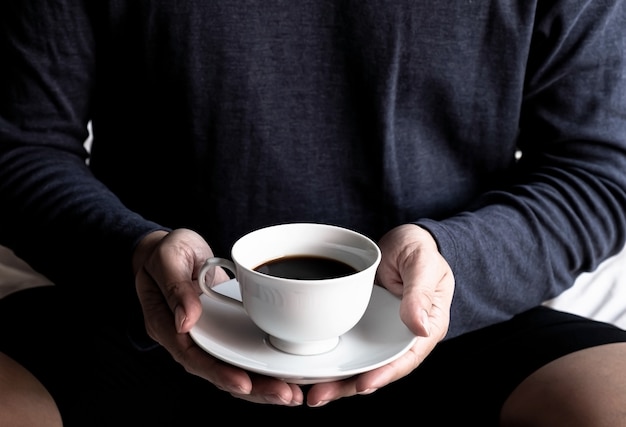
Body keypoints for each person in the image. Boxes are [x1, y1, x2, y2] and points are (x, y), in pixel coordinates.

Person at [1, 1, 626, 425]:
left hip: (446, 323)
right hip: (148, 316)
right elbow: (20, 145)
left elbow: (600, 169)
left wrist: (455, 266)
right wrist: (132, 254)